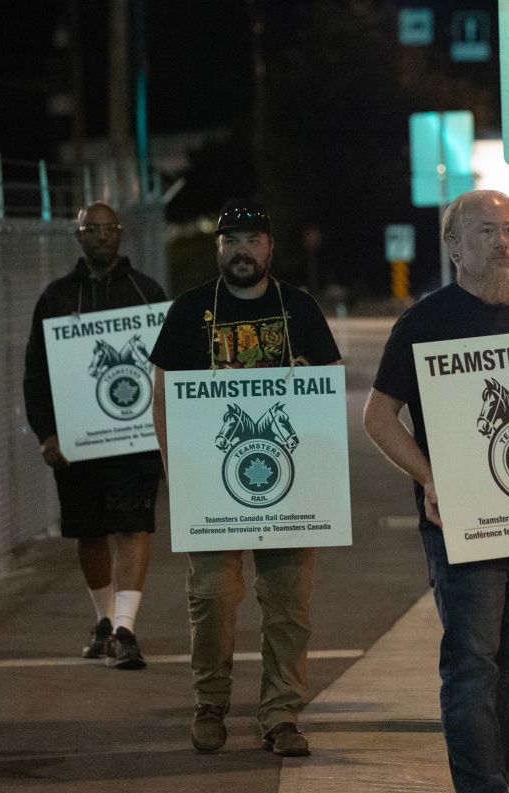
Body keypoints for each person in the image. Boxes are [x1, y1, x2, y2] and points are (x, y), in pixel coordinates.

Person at [363, 189, 509, 792]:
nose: (503, 243)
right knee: (472, 667)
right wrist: (429, 477)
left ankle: (492, 777)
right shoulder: (424, 322)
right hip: (463, 527)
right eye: (486, 232)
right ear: (454, 246)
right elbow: (378, 417)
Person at [150, 199, 341, 757]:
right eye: (230, 240)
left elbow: (327, 387)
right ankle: (210, 704)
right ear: (218, 249)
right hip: (212, 484)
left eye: (252, 240)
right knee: (213, 600)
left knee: (289, 607)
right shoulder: (190, 311)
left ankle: (281, 715)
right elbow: (163, 395)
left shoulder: (299, 308)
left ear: (269, 249)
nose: (241, 249)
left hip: (290, 485)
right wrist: (173, 468)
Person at [23, 201, 167, 670]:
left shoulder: (147, 294)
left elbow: (170, 369)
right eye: (92, 229)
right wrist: (47, 435)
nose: (102, 236)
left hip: (137, 441)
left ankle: (125, 629)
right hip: (78, 444)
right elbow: (37, 374)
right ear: (78, 235)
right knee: (89, 531)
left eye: (109, 229)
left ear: (120, 234)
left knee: (133, 525)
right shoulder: (57, 298)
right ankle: (103, 621)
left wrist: (168, 432)